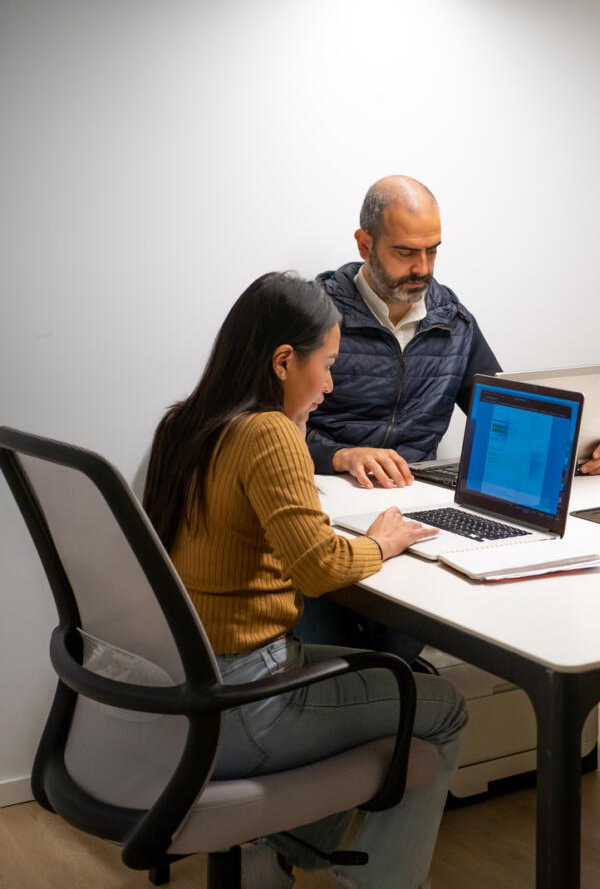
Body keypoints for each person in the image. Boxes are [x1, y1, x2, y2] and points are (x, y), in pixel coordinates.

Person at [143, 271, 467, 889]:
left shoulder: (182, 424)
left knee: (395, 679)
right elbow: (319, 568)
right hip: (246, 705)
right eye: (328, 364)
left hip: (185, 686)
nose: (332, 384)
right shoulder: (269, 433)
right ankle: (379, 882)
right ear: (284, 361)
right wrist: (379, 542)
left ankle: (273, 841)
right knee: (443, 707)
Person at [299, 175, 600, 656]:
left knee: (406, 628)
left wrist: (577, 453)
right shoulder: (316, 316)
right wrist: (340, 454)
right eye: (406, 252)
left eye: (432, 251)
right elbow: (261, 428)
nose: (421, 268)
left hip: (413, 505)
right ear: (365, 244)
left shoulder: (453, 320)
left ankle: (394, 695)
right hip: (323, 502)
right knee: (328, 630)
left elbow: (504, 417)